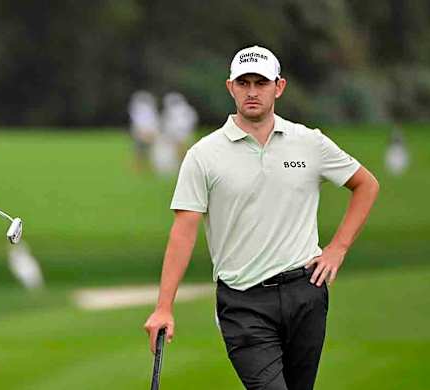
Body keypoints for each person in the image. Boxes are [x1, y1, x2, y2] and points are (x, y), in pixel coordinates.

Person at [144, 45, 379, 390]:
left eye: (261, 83)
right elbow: (183, 231)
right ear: (231, 87)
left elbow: (366, 185)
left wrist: (338, 248)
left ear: (278, 87)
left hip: (306, 293)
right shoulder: (203, 155)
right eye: (244, 83)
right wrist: (164, 307)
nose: (252, 91)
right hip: (243, 302)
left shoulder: (309, 142)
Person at [128, 90, 160, 172]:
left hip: (147, 133)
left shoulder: (146, 110)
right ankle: (139, 167)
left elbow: (152, 122)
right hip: (143, 133)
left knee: (147, 152)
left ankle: (148, 167)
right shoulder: (139, 110)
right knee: (139, 151)